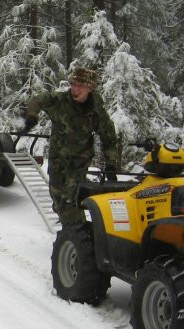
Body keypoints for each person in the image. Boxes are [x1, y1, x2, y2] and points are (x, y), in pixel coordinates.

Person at [23, 67, 119, 227]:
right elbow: (37, 100)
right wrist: (31, 116)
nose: (75, 89)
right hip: (57, 161)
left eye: (80, 86)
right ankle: (75, 232)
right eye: (73, 84)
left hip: (79, 164)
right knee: (58, 201)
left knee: (70, 201)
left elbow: (109, 137)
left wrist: (110, 163)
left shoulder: (96, 110)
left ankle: (79, 237)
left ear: (90, 87)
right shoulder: (59, 101)